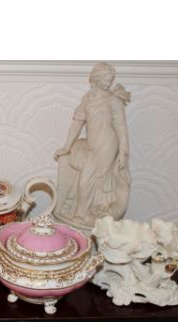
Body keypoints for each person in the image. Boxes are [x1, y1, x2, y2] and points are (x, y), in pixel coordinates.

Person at [54, 63, 131, 228]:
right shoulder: (87, 99)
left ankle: (86, 213)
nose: (108, 82)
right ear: (95, 79)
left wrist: (123, 153)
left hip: (109, 145)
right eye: (105, 79)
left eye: (110, 79)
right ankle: (85, 214)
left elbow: (122, 128)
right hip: (93, 145)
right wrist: (67, 146)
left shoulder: (114, 100)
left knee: (91, 178)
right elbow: (77, 123)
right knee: (87, 180)